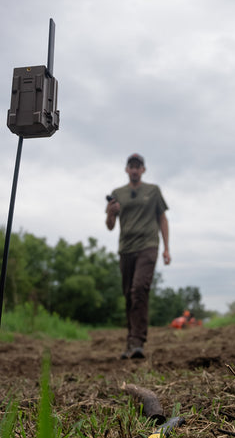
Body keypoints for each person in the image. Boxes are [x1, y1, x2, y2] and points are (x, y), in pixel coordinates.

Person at [105, 153, 170, 359]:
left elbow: (162, 218)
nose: (134, 169)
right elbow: (110, 226)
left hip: (148, 246)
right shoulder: (118, 193)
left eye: (138, 166)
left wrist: (166, 248)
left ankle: (138, 341)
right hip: (126, 249)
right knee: (128, 295)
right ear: (126, 169)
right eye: (131, 166)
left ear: (143, 170)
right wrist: (110, 212)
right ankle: (130, 341)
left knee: (139, 289)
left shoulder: (153, 191)